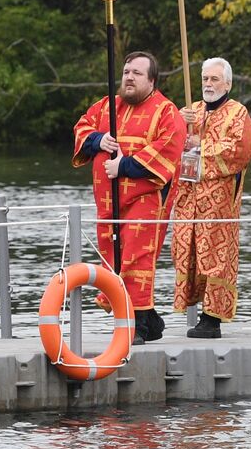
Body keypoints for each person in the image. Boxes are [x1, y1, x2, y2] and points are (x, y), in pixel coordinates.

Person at [73, 51, 186, 344]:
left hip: (146, 198)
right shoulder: (108, 106)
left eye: (136, 73)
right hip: (109, 203)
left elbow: (168, 150)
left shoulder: (166, 111)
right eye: (126, 72)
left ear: (151, 79)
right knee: (113, 258)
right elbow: (82, 127)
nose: (129, 78)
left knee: (136, 259)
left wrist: (122, 165)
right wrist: (99, 140)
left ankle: (133, 325)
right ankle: (147, 320)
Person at [170, 57, 251, 339]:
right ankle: (192, 306)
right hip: (188, 200)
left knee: (215, 256)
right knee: (187, 253)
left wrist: (202, 145)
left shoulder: (237, 113)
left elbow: (241, 151)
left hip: (218, 203)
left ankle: (213, 318)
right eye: (205, 79)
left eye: (214, 79)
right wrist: (178, 125)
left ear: (228, 83)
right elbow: (170, 145)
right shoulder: (191, 111)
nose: (208, 84)